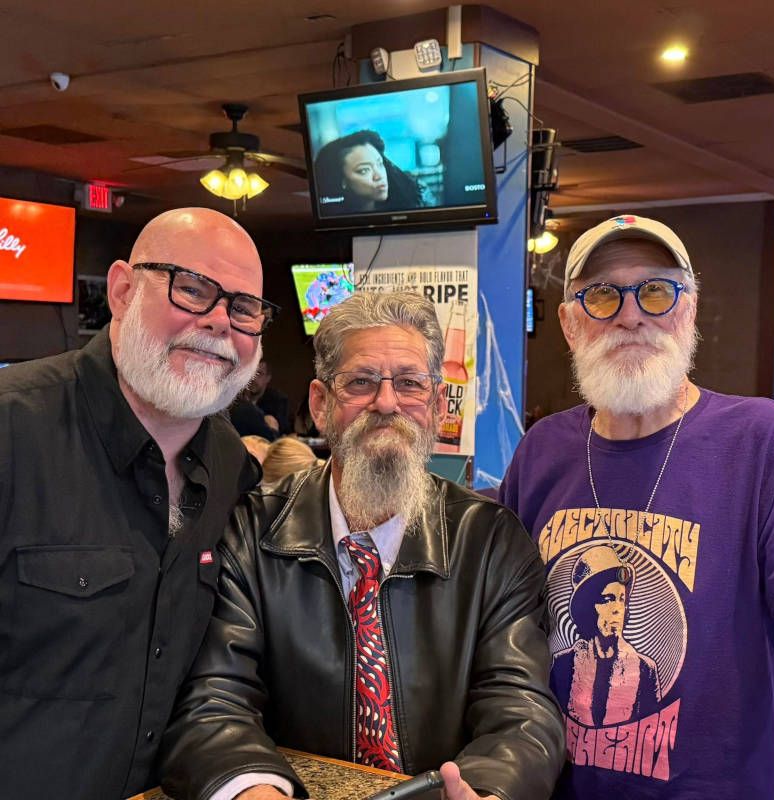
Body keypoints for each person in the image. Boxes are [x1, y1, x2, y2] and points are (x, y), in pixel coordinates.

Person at [158, 291, 565, 800]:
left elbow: (521, 710)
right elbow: (214, 698)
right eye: (361, 382)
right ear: (320, 404)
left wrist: (487, 789)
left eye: (410, 383)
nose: (387, 403)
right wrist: (253, 788)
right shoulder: (252, 530)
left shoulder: (491, 542)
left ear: (438, 405)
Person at [499, 214, 774, 799]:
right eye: (602, 295)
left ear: (689, 309)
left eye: (657, 291)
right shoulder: (544, 448)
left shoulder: (767, 440)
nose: (631, 315)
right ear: (569, 324)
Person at [0, 207, 277, 800]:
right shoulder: (12, 428)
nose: (219, 322)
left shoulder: (231, 467)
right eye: (193, 289)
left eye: (244, 308)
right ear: (123, 291)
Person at [550, 545, 660, 728]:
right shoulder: (563, 662)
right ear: (588, 606)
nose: (617, 609)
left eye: (621, 599)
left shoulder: (645, 669)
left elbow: (652, 728)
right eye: (608, 599)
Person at [313, 130, 427, 214]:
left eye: (380, 164)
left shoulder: (413, 202)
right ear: (342, 181)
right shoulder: (331, 217)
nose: (379, 176)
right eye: (364, 170)